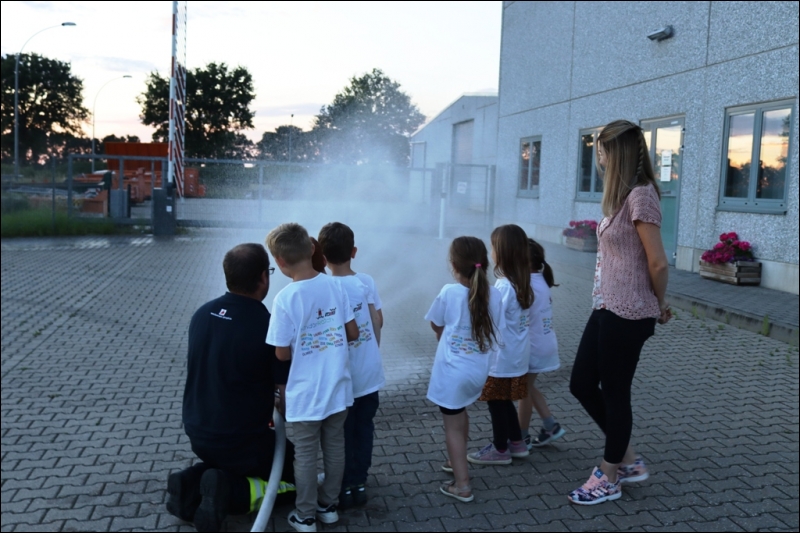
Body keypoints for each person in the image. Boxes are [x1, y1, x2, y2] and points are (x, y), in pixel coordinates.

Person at [568, 119, 672, 505]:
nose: (599, 156)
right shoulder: (623, 196)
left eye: (602, 149)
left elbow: (658, 262)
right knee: (580, 383)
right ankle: (626, 457)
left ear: (616, 153)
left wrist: (658, 304)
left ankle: (610, 474)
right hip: (607, 306)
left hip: (629, 313)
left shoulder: (642, 196)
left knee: (615, 392)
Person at [167, 243, 296, 532]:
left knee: (225, 461)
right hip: (242, 442)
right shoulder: (268, 326)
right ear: (264, 277)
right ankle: (231, 493)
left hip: (198, 433)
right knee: (295, 477)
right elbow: (283, 393)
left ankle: (189, 482)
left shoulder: (202, 314)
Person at [265, 223, 359, 532]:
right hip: (338, 388)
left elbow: (281, 353)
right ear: (311, 249)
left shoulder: (284, 299)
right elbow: (352, 332)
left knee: (305, 455)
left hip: (305, 394)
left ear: (279, 262)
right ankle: (328, 506)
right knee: (335, 447)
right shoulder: (335, 286)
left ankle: (305, 516)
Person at [426, 236, 503, 503]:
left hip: (452, 374)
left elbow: (436, 323)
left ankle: (462, 485)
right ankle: (455, 460)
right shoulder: (494, 293)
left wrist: (444, 334)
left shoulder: (449, 292)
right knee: (461, 414)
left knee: (452, 428)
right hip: (477, 372)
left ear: (454, 265)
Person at [317, 222, 385, 509]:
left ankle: (341, 486)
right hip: (369, 375)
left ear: (321, 256)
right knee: (363, 429)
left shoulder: (324, 286)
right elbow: (378, 320)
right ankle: (359, 482)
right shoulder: (365, 282)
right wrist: (371, 352)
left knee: (340, 434)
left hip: (341, 379)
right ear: (354, 252)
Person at [468, 224, 533, 465]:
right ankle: (516, 443)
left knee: (496, 401)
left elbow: (492, 320)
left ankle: (500, 449)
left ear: (502, 252)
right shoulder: (521, 281)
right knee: (504, 399)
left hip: (502, 356)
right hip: (516, 354)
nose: (491, 252)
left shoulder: (504, 285)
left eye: (493, 247)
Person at [517, 238, 565, 449]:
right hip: (544, 344)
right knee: (527, 386)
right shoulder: (541, 281)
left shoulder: (526, 285)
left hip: (532, 348)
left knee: (522, 390)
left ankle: (521, 437)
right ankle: (550, 425)